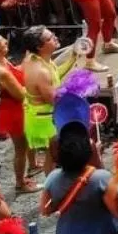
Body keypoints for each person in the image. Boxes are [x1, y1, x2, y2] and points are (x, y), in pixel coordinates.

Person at [20, 26, 77, 175]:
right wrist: (76, 92)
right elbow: (53, 100)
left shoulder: (39, 59)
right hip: (44, 120)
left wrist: (73, 57)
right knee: (53, 157)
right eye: (50, 38)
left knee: (52, 156)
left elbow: (55, 75)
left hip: (40, 114)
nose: (56, 38)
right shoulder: (40, 71)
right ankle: (51, 190)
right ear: (39, 46)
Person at [0, 33, 39, 193]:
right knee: (20, 148)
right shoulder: (1, 71)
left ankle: (31, 167)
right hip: (14, 110)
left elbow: (16, 71)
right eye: (1, 41)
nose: (6, 40)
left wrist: (27, 61)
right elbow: (20, 94)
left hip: (14, 107)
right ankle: (20, 183)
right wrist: (36, 87)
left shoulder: (2, 60)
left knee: (26, 142)